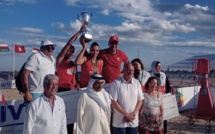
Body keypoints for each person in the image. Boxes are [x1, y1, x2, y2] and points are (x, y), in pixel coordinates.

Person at [56, 26, 85, 134]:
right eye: (68, 51)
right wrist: (79, 32)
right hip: (60, 90)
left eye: (72, 51)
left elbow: (75, 78)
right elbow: (68, 44)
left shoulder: (73, 64)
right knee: (61, 117)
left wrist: (77, 84)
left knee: (70, 118)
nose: (70, 52)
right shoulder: (59, 60)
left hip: (71, 91)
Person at [110, 63, 143, 134]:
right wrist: (126, 114)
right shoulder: (116, 83)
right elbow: (113, 102)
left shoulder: (137, 83)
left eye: (132, 70)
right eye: (128, 70)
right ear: (123, 70)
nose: (130, 72)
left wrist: (133, 114)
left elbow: (140, 100)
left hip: (133, 121)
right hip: (119, 122)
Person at [151, 61, 176, 134]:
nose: (159, 68)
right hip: (154, 99)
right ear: (153, 67)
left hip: (163, 98)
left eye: (160, 66)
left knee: (164, 117)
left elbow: (167, 86)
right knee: (154, 116)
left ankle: (164, 132)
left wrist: (171, 92)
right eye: (157, 66)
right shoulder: (150, 76)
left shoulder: (163, 75)